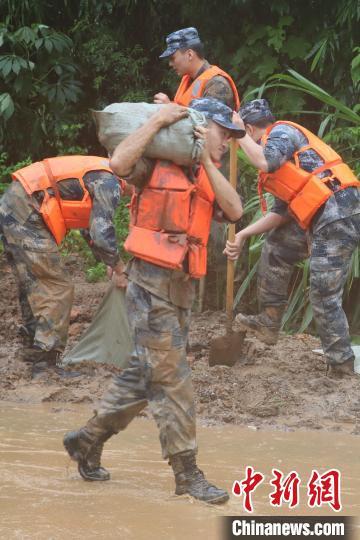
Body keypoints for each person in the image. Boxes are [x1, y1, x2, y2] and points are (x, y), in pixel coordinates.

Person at [63, 98, 244, 504]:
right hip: (149, 284)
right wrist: (160, 120)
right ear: (201, 126)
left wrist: (208, 163)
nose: (227, 143)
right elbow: (119, 164)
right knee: (173, 377)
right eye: (223, 134)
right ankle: (187, 474)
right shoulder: (155, 165)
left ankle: (85, 439)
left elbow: (233, 210)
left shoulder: (205, 173)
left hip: (181, 289)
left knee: (145, 376)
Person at [224, 99, 360, 376]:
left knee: (323, 293)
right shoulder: (285, 156)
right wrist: (242, 235)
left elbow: (266, 161)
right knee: (277, 246)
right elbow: (281, 214)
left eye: (244, 136)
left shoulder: (282, 133)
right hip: (322, 216)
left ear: (249, 129)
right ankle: (269, 321)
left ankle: (341, 365)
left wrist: (237, 133)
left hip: (339, 214)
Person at [0, 156, 128, 375]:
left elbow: (90, 228)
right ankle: (46, 361)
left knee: (33, 282)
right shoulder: (110, 183)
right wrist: (119, 268)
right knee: (57, 286)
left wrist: (108, 261)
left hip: (14, 206)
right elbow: (101, 234)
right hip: (26, 209)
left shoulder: (102, 173)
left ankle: (32, 348)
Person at [154, 27, 240, 110]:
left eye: (172, 58)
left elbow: (211, 123)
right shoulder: (188, 79)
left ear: (190, 55)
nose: (170, 64)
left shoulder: (217, 83)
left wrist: (170, 109)